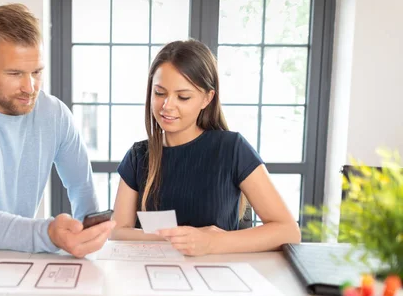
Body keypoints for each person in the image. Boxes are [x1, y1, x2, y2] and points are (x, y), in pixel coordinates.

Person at [0, 4, 114, 257]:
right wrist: (47, 233)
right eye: (15, 73)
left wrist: (87, 237)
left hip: (20, 254)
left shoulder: (54, 113)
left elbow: (81, 188)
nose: (30, 87)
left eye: (37, 72)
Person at [111, 40, 301, 255]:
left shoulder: (232, 149)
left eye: (183, 97)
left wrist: (210, 243)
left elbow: (288, 231)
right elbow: (117, 231)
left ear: (207, 99)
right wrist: (179, 237)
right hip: (154, 275)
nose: (167, 106)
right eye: (159, 93)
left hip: (217, 280)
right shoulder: (138, 157)